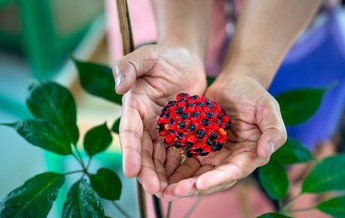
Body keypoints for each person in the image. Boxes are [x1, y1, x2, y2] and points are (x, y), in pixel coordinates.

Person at [112, 0, 321, 200]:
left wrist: (248, 72)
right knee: (179, 193)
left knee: (294, 186)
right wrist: (181, 45)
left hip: (278, 30)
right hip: (170, 15)